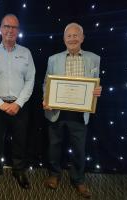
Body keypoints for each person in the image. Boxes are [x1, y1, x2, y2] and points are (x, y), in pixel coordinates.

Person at [42, 23, 102, 198]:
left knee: (79, 149)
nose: (73, 38)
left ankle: (78, 180)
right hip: (56, 111)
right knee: (54, 146)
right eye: (69, 36)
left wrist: (97, 90)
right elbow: (47, 83)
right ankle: (54, 175)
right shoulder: (53, 59)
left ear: (82, 38)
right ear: (64, 39)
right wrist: (46, 99)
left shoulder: (94, 58)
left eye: (76, 35)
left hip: (79, 113)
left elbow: (95, 83)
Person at [0, 14, 35, 189]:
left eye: (14, 27)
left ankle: (19, 170)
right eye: (7, 26)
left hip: (20, 106)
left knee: (20, 140)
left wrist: (18, 103)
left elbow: (30, 80)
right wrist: (0, 103)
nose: (10, 30)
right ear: (0, 29)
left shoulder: (26, 53)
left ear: (18, 31)